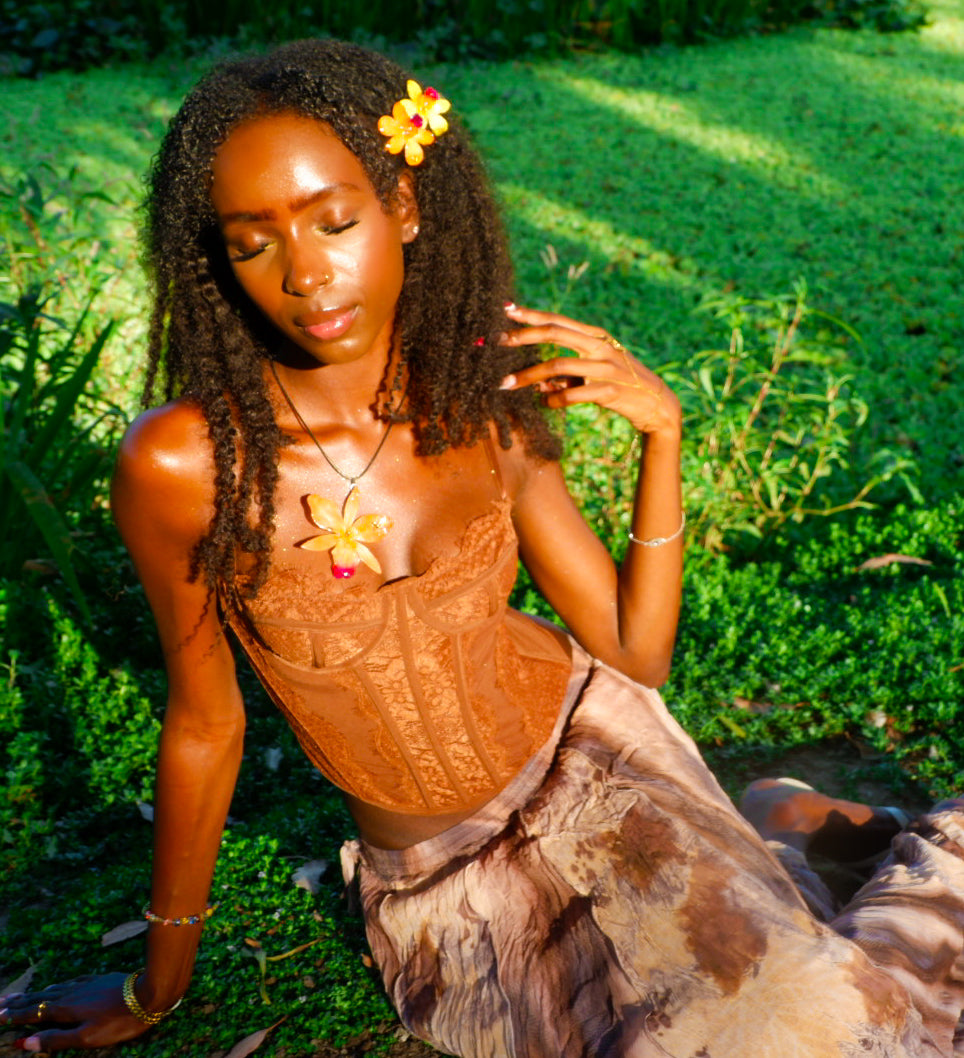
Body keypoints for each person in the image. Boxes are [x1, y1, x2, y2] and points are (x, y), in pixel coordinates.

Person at [2, 37, 963, 1058]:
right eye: (252, 244)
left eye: (335, 222)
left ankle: (787, 827)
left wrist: (664, 433)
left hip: (602, 770)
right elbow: (205, 722)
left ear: (403, 208)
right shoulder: (185, 464)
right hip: (452, 888)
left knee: (829, 1026)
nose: (307, 273)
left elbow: (634, 653)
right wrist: (156, 984)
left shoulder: (480, 400)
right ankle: (782, 822)